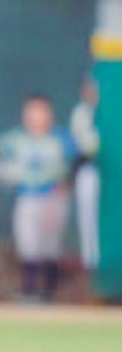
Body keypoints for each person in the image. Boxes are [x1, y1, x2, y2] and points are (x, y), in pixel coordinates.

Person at [0, 93, 75, 303]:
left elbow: (78, 161)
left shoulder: (61, 138)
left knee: (49, 245)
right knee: (28, 243)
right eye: (32, 111)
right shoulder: (18, 137)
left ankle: (48, 293)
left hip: (53, 196)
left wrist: (66, 182)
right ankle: (29, 291)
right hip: (28, 195)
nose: (36, 116)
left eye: (40, 111)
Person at [70, 76, 100, 288]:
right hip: (88, 170)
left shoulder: (108, 111)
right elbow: (85, 148)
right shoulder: (81, 113)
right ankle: (91, 272)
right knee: (88, 223)